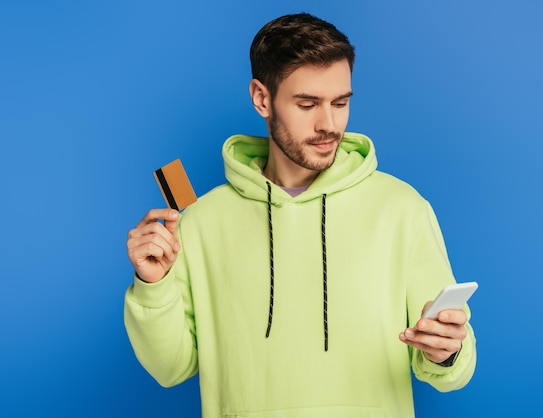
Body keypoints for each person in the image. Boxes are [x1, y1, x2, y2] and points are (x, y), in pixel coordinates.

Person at [125, 12, 476, 418]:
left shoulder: (403, 208)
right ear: (261, 98)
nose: (328, 124)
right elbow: (171, 368)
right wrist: (152, 285)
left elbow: (453, 369)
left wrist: (446, 352)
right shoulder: (201, 220)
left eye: (340, 103)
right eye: (307, 104)